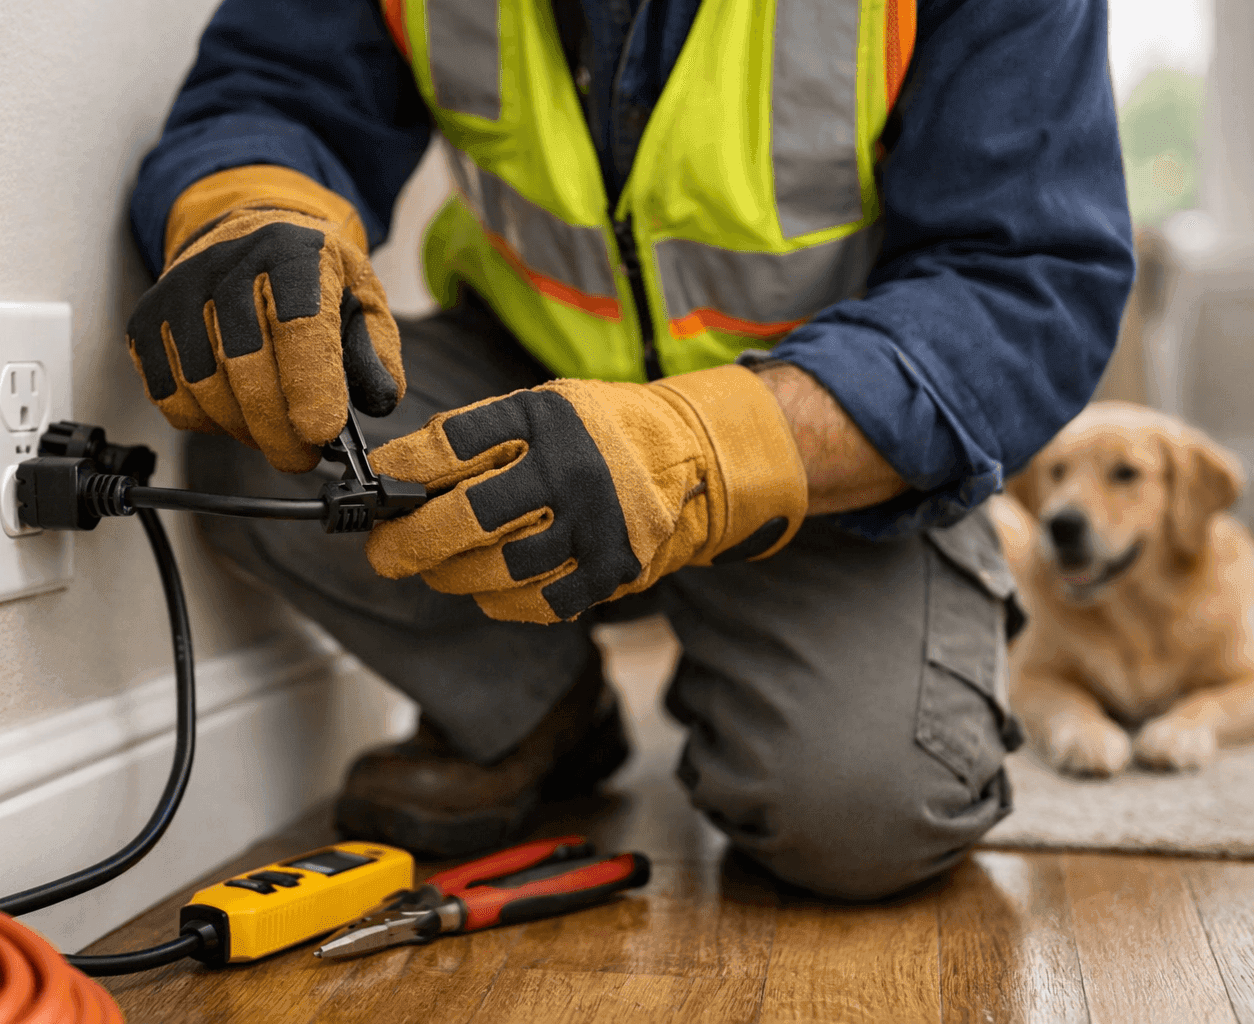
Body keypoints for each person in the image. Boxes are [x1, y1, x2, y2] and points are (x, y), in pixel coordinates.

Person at [126, 0, 1132, 899]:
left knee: (864, 806)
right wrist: (247, 210)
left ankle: (762, 665)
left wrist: (702, 447)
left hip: (821, 448)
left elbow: (1022, 280)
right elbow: (278, 87)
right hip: (522, 380)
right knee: (273, 438)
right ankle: (532, 710)